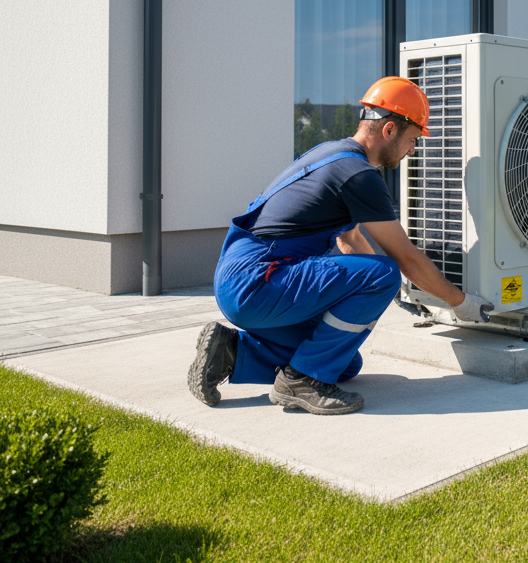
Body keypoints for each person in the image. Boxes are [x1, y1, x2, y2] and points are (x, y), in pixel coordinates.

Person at [187, 76, 493, 415]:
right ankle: (300, 381)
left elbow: (349, 240)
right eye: (413, 139)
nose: (413, 150)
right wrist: (460, 303)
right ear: (389, 130)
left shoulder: (332, 154)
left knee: (344, 363)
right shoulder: (358, 173)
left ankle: (229, 352)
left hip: (240, 278)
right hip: (258, 280)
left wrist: (365, 303)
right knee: (384, 274)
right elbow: (406, 258)